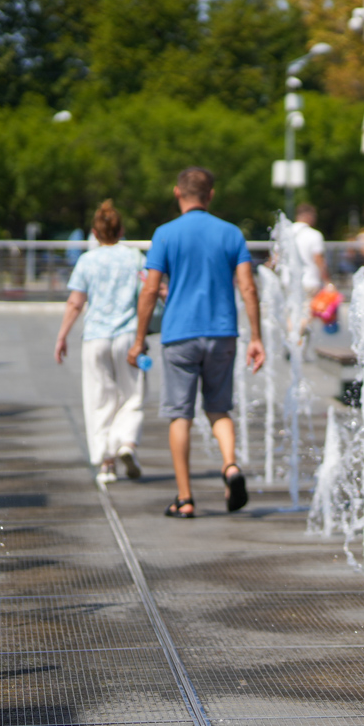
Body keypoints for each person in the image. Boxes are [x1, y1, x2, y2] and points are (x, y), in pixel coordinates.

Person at [128, 167, 266, 518]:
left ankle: (186, 498)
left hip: (180, 334)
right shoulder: (231, 233)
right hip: (222, 333)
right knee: (219, 409)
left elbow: (149, 288)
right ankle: (231, 466)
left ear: (178, 193)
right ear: (211, 195)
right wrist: (257, 338)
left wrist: (139, 338)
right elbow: (248, 287)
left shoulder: (165, 234)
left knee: (180, 415)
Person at [55, 201, 147, 484]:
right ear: (121, 230)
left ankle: (106, 463)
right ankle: (126, 443)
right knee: (132, 394)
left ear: (95, 233)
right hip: (127, 335)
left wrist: (62, 336)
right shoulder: (134, 257)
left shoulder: (87, 260)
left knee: (99, 399)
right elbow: (148, 294)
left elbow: (75, 302)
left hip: (95, 336)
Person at [291, 203, 329, 294]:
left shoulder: (285, 234)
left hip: (288, 282)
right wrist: (327, 282)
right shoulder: (314, 235)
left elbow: (276, 258)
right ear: (308, 216)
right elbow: (318, 260)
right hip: (309, 282)